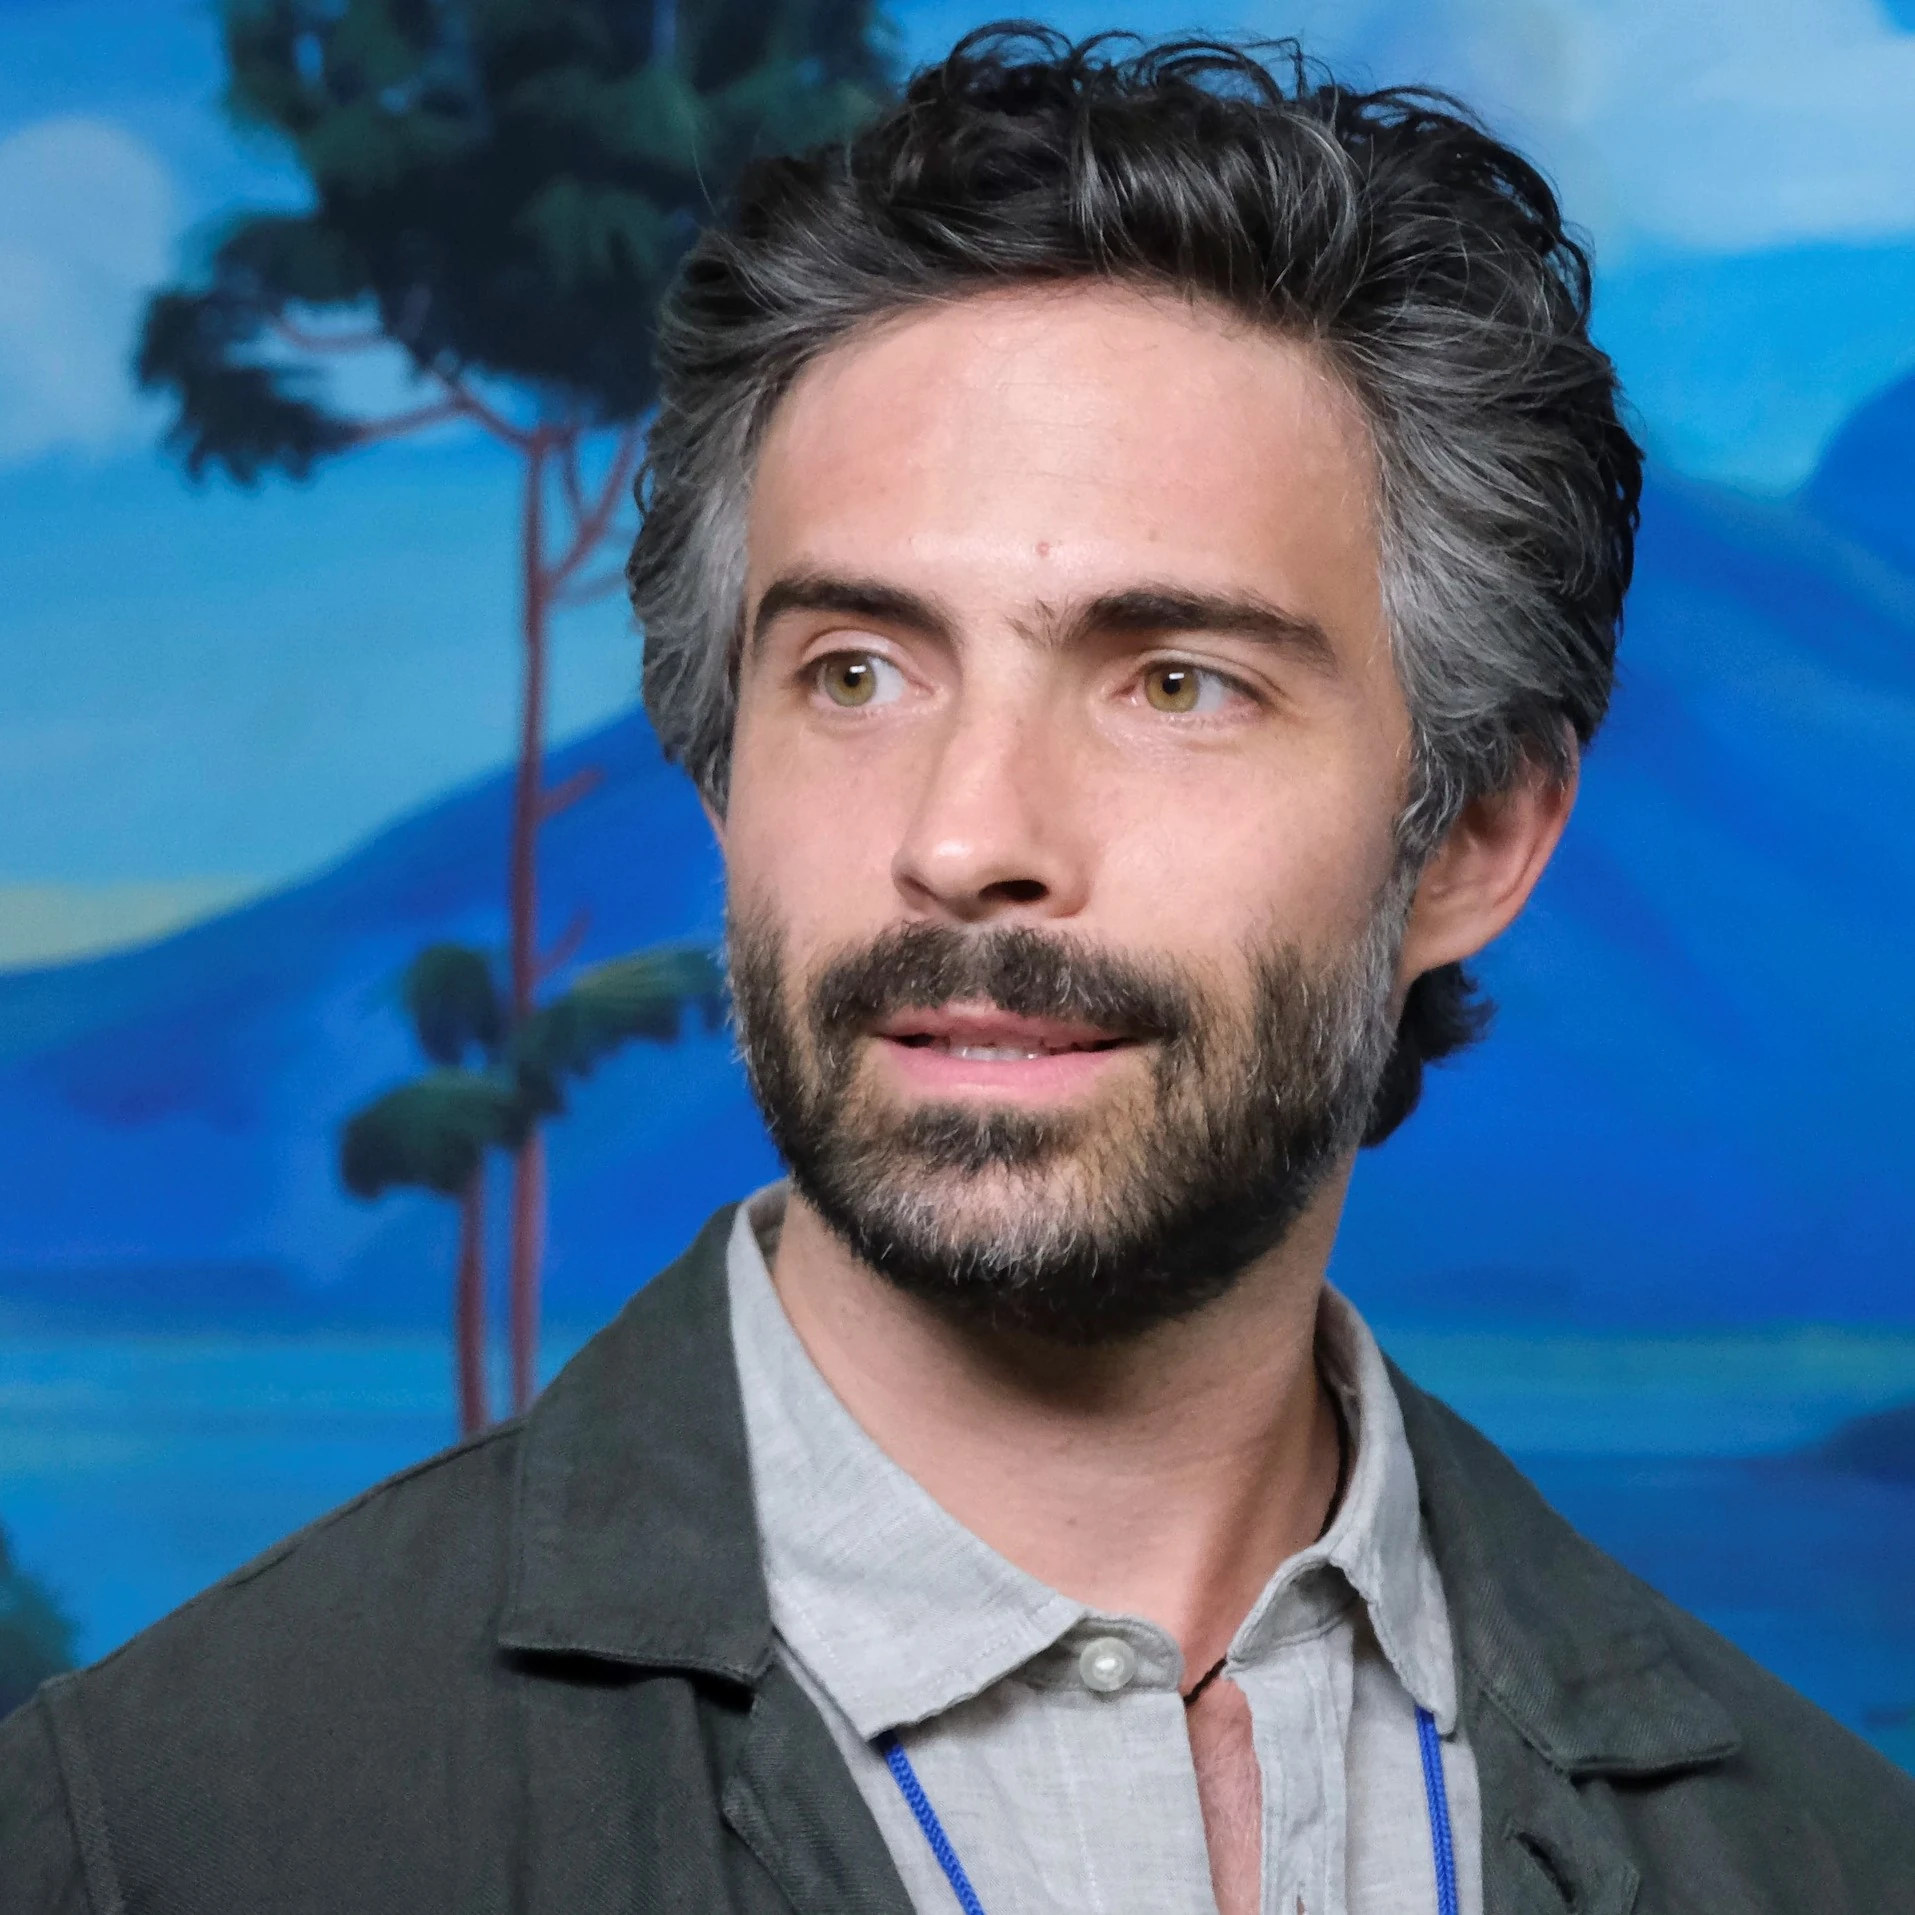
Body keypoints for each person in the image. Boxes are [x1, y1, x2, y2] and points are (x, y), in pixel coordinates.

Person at [3, 27, 1910, 1914]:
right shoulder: (142, 1839)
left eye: (1176, 682)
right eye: (855, 671)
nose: (965, 833)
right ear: (720, 773)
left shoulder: (1825, 1858)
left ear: (1473, 834)